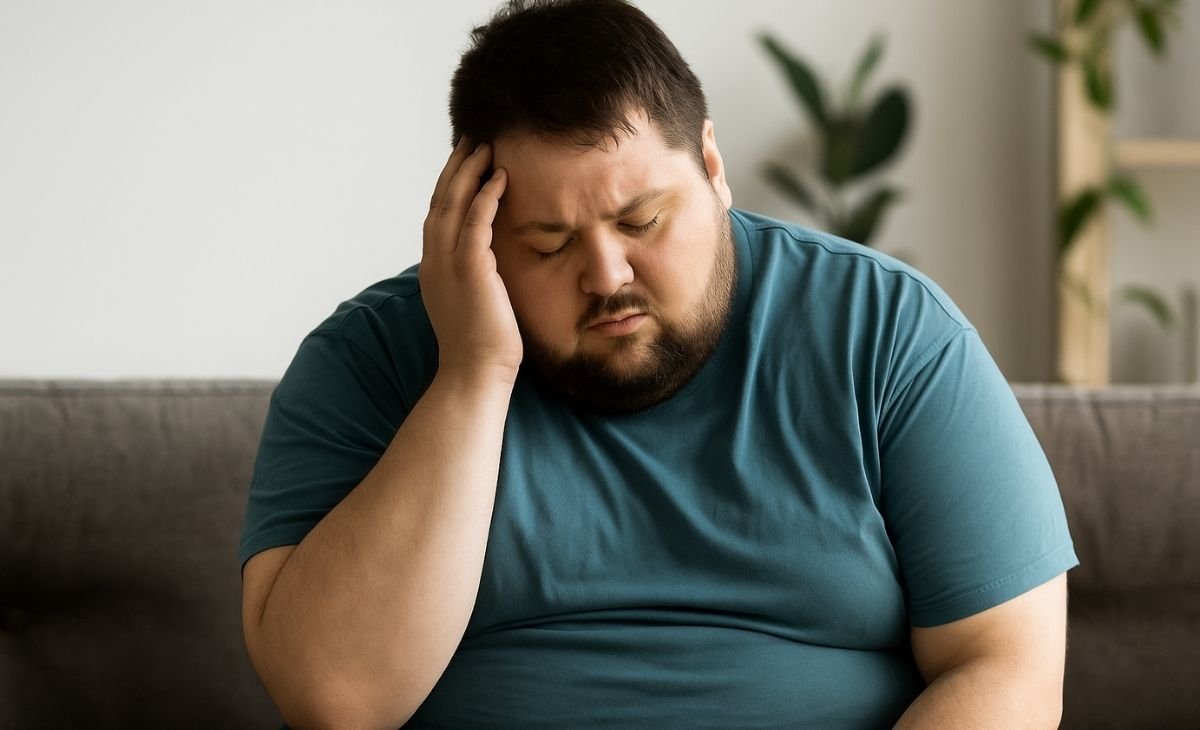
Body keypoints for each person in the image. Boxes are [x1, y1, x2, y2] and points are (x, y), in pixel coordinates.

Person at [238, 1, 1079, 727]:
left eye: (640, 221)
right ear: (478, 234)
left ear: (712, 165)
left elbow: (1008, 664)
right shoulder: (369, 361)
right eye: (549, 244)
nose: (606, 276)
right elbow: (335, 701)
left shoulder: (887, 331)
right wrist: (472, 375)